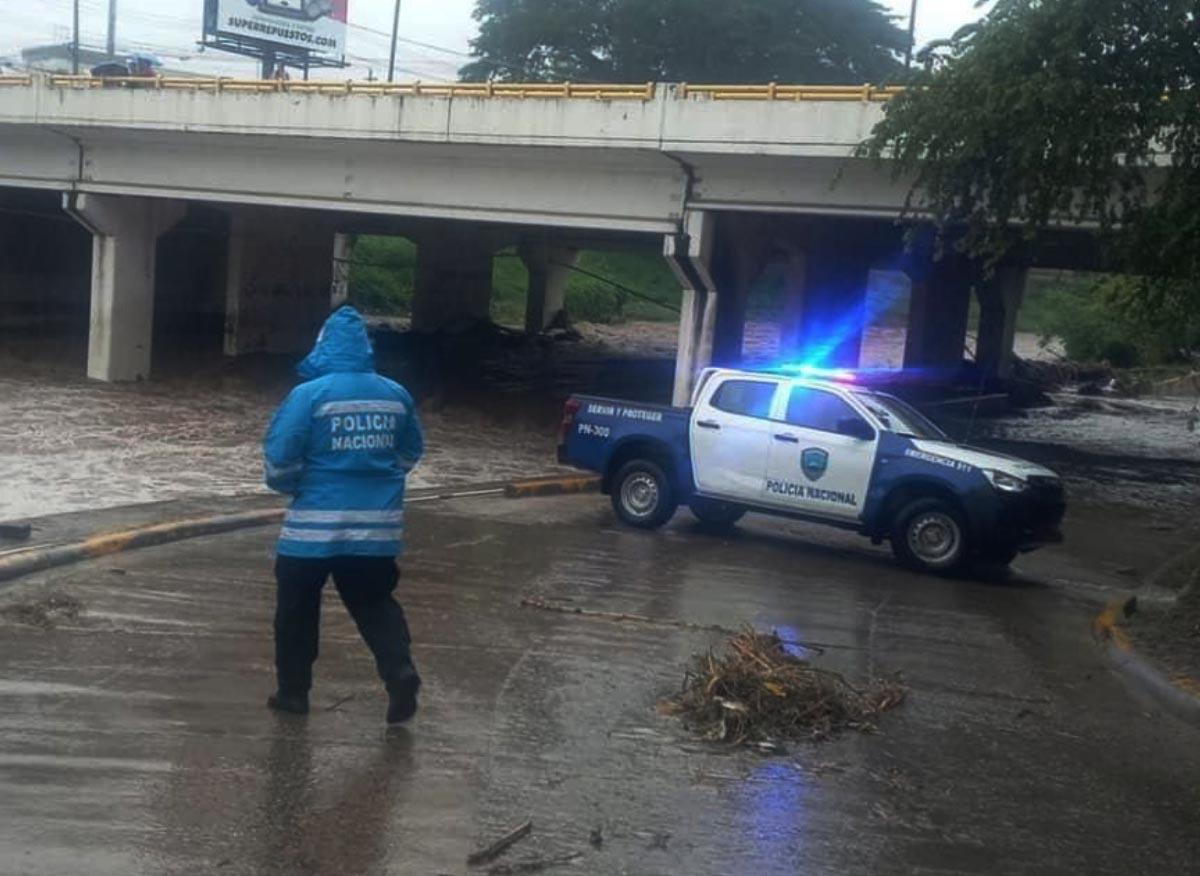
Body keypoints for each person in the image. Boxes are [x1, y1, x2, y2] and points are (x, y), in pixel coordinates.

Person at [263, 306, 424, 725]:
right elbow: (410, 453)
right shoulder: (395, 394)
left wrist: (295, 487)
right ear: (366, 349)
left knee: (296, 612)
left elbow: (280, 461)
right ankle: (400, 672)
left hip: (310, 533)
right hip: (376, 531)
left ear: (324, 346)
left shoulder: (309, 395)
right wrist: (376, 481)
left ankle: (293, 694)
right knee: (375, 604)